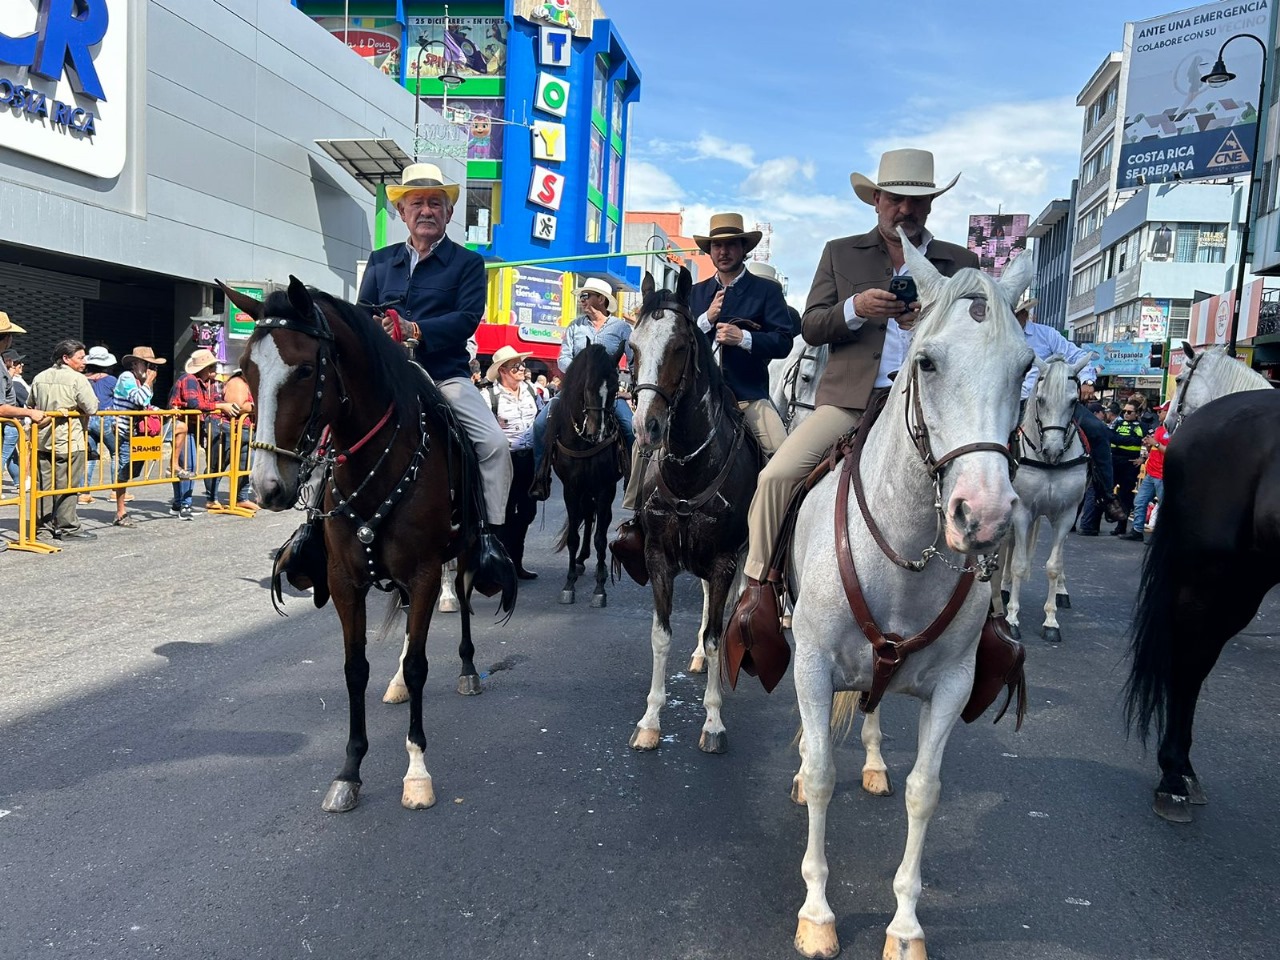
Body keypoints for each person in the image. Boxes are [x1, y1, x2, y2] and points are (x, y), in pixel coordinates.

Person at [723, 148, 978, 685]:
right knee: (776, 477)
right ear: (877, 200)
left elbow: (979, 335)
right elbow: (811, 326)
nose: (904, 209)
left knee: (993, 486)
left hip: (932, 408)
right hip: (850, 402)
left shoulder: (961, 263)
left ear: (929, 205)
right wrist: (855, 309)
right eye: (895, 198)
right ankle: (757, 595)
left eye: (916, 200)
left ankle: (991, 618)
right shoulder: (841, 253)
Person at [612, 212, 795, 564]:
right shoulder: (694, 293)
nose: (723, 251)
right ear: (709, 251)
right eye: (716, 246)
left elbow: (784, 341)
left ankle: (784, 534)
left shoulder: (766, 291)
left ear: (744, 248)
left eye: (730, 244)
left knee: (783, 457)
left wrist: (746, 339)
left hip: (746, 397)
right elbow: (671, 338)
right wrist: (704, 320)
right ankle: (636, 522)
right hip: (693, 404)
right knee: (643, 445)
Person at [357, 162, 511, 570]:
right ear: (403, 212)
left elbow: (466, 318)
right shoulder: (378, 261)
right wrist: (372, 327)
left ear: (447, 214)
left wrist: (414, 329)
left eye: (434, 204)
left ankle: (489, 541)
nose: (425, 210)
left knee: (494, 445)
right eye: (417, 203)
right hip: (383, 377)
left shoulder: (468, 264)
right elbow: (360, 315)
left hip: (443, 375)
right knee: (324, 437)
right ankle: (315, 531)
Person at [1013, 296, 1124, 527]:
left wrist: (1087, 382)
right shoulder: (997, 336)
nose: (1015, 317)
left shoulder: (1047, 334)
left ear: (1026, 314)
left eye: (1018, 313)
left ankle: (1106, 495)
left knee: (1098, 431)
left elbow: (1075, 356)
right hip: (1015, 400)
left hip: (1056, 401)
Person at [529, 277, 634, 500]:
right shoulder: (574, 325)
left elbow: (633, 361)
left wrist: (632, 388)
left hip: (607, 393)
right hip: (575, 391)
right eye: (582, 296)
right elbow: (563, 358)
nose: (582, 300)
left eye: (587, 295)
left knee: (630, 428)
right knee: (539, 424)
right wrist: (580, 372)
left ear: (601, 299)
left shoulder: (623, 328)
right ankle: (541, 475)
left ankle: (632, 480)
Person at [481, 346, 541, 578]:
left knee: (527, 512)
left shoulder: (530, 390)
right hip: (503, 461)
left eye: (522, 365)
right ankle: (502, 566)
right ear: (502, 370)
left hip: (529, 460)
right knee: (502, 513)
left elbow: (541, 418)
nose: (521, 369)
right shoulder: (488, 396)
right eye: (516, 366)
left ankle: (517, 562)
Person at [30, 339, 98, 541]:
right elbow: (92, 407)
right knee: (67, 486)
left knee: (44, 486)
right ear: (66, 358)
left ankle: (43, 528)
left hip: (42, 438)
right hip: (70, 439)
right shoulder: (78, 379)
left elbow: (30, 404)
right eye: (80, 357)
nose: (84, 361)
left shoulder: (40, 376)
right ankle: (69, 527)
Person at [169, 348, 238, 520]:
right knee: (188, 467)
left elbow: (214, 401)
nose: (214, 370)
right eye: (211, 367)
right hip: (183, 426)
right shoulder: (190, 380)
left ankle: (178, 504)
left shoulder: (209, 384)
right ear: (203, 368)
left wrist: (222, 405)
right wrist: (221, 407)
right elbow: (194, 404)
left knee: (185, 466)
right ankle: (185, 505)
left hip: (192, 426)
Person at [107, 346, 164, 527]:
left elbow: (145, 405)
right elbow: (139, 399)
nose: (151, 369)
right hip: (122, 431)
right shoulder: (127, 378)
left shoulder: (142, 381)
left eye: (153, 366)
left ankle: (175, 467)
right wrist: (149, 382)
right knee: (124, 470)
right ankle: (120, 512)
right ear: (135, 364)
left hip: (137, 433)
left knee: (134, 469)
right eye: (147, 364)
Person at [2, 343, 41, 500]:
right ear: (11, 363)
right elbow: (27, 399)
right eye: (18, 363)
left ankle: (20, 481)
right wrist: (31, 412)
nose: (22, 365)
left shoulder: (12, 380)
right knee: (5, 455)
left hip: (12, 423)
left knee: (11, 455)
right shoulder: (15, 382)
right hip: (13, 423)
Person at [1126, 402, 1169, 542]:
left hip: (1163, 475)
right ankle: (1137, 530)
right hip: (1152, 473)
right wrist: (1149, 445)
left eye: (1161, 411)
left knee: (1163, 506)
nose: (1158, 414)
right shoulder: (1159, 429)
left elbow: (1171, 452)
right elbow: (1154, 450)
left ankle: (1160, 536)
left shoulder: (1173, 431)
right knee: (1140, 501)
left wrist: (1155, 443)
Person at [83, 345, 119, 500]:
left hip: (87, 419)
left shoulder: (82, 379)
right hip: (106, 419)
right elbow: (119, 399)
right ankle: (116, 491)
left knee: (90, 455)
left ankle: (84, 493)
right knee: (116, 453)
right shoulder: (111, 380)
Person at [222, 367, 259, 511]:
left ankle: (241, 498)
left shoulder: (250, 384)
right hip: (234, 429)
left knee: (247, 465)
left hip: (248, 429)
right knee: (219, 465)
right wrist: (256, 406)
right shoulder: (237, 382)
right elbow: (238, 406)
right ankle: (211, 498)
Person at [1108, 400, 1146, 536]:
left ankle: (1121, 526)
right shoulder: (1117, 423)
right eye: (1124, 411)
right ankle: (1093, 523)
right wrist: (1131, 440)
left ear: (1137, 413)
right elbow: (1110, 436)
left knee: (1125, 495)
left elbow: (1151, 442)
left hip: (1130, 464)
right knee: (1107, 492)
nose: (1126, 414)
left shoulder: (1142, 426)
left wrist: (1143, 458)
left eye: (1129, 412)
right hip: (1114, 461)